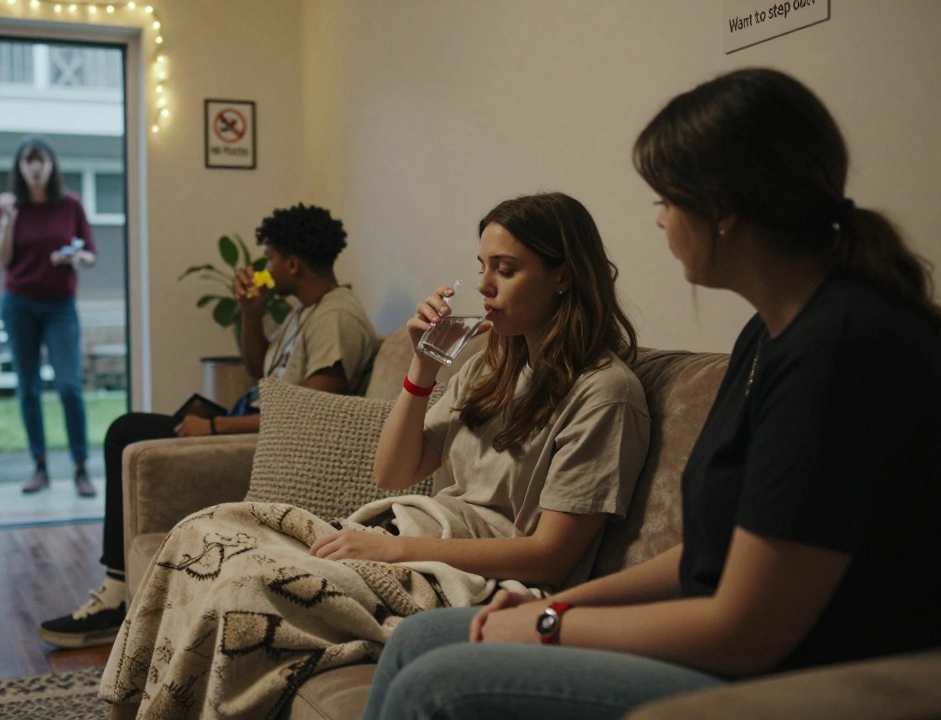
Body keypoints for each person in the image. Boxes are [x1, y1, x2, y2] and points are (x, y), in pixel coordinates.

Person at [363, 68, 941, 720]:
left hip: (803, 674)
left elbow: (745, 631)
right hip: (730, 643)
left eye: (665, 199)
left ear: (720, 211)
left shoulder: (845, 351)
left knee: (432, 686)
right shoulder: (768, 337)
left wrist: (550, 628)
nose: (659, 222)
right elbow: (707, 558)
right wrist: (560, 607)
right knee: (417, 639)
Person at [95, 192, 651, 718]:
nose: (484, 285)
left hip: (474, 576)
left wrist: (392, 552)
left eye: (505, 270)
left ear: (564, 277)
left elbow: (552, 555)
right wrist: (423, 368)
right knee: (201, 533)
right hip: (410, 533)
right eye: (481, 266)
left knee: (247, 586)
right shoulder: (491, 365)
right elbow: (395, 472)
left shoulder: (604, 393)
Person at [36, 202, 377, 648]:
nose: (267, 267)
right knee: (129, 428)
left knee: (126, 430)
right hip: (249, 421)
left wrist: (214, 427)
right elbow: (261, 370)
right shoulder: (304, 312)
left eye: (271, 258)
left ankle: (117, 594)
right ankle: (117, 586)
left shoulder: (337, 317)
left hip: (275, 444)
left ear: (292, 263)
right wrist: (250, 313)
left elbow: (310, 413)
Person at [0, 136, 97, 497]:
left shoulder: (71, 205)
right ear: (20, 168)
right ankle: (40, 467)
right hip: (19, 304)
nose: (35, 167)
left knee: (69, 386)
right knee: (29, 388)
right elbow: (1, 260)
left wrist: (75, 258)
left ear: (51, 165)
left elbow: (90, 254)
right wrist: (7, 221)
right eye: (28, 161)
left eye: (41, 160)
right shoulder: (10, 207)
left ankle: (81, 468)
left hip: (60, 307)